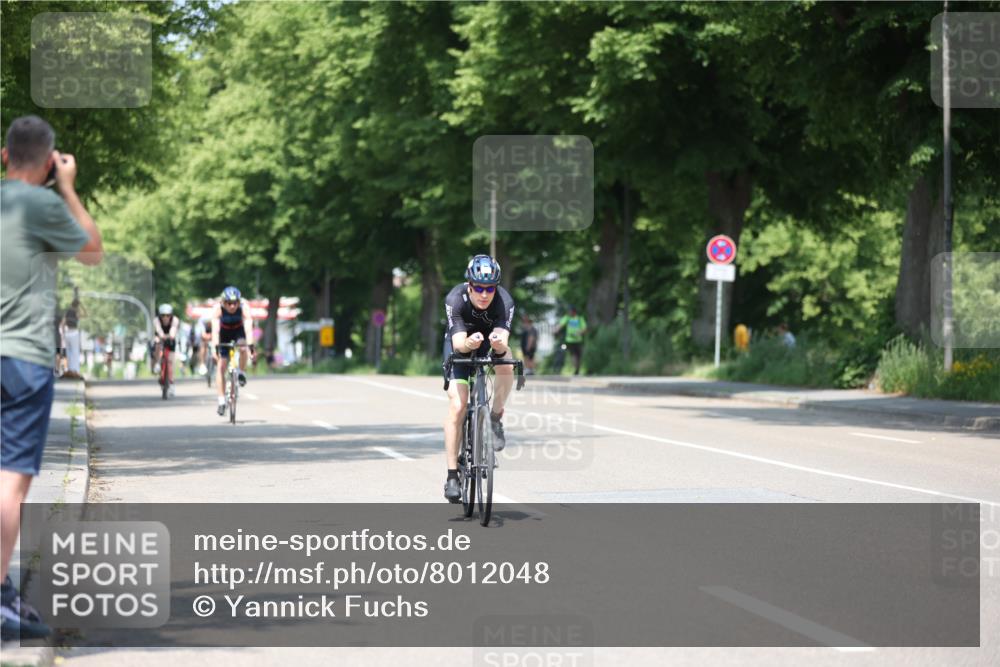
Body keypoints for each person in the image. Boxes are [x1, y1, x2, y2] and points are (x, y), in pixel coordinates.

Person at [1, 115, 102, 640]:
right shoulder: (42, 203)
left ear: (3, 156)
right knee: (11, 477)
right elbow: (91, 252)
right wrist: (67, 187)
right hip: (21, 358)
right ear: (47, 161)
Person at [441, 254, 515, 503]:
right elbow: (459, 343)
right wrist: (468, 342)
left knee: (507, 364)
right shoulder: (455, 299)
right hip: (459, 344)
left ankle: (494, 418)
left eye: (490, 288)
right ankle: (452, 475)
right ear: (469, 285)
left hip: (489, 344)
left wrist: (498, 344)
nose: (485, 294)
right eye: (479, 288)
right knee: (458, 406)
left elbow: (503, 339)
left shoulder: (504, 301)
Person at [211, 286, 255, 416]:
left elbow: (248, 329)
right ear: (223, 302)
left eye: (235, 303)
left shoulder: (244, 308)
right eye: (229, 303)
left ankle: (241, 372)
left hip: (238, 332)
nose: (232, 306)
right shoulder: (217, 309)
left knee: (243, 347)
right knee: (221, 366)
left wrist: (250, 345)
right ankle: (221, 401)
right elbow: (215, 331)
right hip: (224, 334)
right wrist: (215, 347)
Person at [154, 304, 179, 396]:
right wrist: (161, 337)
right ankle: (157, 363)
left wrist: (171, 336)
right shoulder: (156, 320)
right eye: (163, 315)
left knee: (170, 362)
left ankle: (171, 383)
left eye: (168, 315)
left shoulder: (175, 320)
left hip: (170, 338)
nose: (165, 318)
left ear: (171, 315)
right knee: (157, 343)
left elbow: (173, 331)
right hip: (160, 337)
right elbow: (159, 330)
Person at [555, 305, 587, 375]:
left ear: (574, 311)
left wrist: (580, 332)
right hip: (569, 340)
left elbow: (584, 328)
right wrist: (556, 330)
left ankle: (577, 368)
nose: (569, 312)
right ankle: (575, 368)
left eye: (570, 311)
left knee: (578, 356)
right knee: (573, 354)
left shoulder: (579, 319)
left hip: (578, 340)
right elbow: (560, 324)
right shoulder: (567, 318)